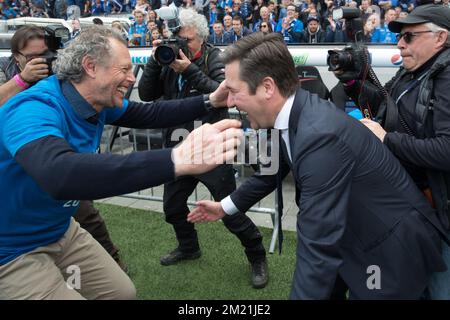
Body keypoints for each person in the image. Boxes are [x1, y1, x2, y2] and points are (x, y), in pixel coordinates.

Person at [187, 32, 449, 299]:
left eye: (233, 91)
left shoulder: (319, 136)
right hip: (353, 239)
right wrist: (224, 206)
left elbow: (317, 250)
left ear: (267, 87)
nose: (228, 102)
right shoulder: (293, 112)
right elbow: (272, 172)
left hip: (386, 251)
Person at [0, 25, 242, 300]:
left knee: (122, 292)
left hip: (59, 230)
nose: (131, 78)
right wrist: (177, 159)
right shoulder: (33, 108)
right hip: (11, 250)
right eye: (124, 69)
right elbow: (60, 175)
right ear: (90, 66)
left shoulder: (96, 100)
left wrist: (211, 100)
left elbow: (150, 114)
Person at [138, 8, 268, 289]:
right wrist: (154, 61)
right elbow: (146, 95)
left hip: (211, 147)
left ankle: (257, 255)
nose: (180, 46)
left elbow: (223, 94)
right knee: (172, 207)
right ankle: (189, 247)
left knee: (229, 210)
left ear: (201, 37)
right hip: (179, 145)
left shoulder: (215, 57)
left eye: (186, 40)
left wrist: (189, 69)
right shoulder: (167, 59)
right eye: (178, 40)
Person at [339, 4, 450, 299]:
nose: (400, 43)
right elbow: (382, 104)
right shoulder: (411, 71)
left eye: (410, 36)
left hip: (440, 216)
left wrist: (387, 140)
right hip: (411, 207)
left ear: (440, 39)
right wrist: (353, 81)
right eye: (400, 37)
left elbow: (446, 150)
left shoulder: (447, 77)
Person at [0, 24, 131, 272]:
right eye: (33, 57)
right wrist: (21, 79)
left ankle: (113, 263)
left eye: (46, 54)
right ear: (17, 56)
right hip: (15, 166)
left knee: (87, 215)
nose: (42, 61)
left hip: (58, 158)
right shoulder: (5, 71)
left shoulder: (56, 73)